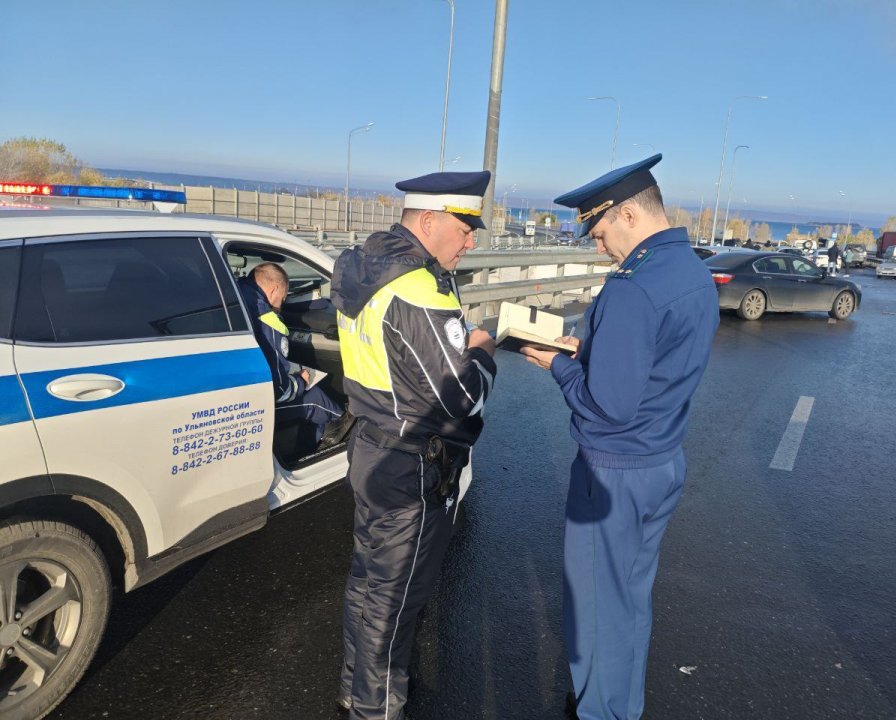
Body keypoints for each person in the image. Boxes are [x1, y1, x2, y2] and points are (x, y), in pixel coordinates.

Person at [520, 154, 719, 720]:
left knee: (597, 610)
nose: (599, 245)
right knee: (629, 599)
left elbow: (607, 408)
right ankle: (619, 704)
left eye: (601, 231)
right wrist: (591, 354)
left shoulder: (633, 287)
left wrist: (559, 366)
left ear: (628, 214)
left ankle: (601, 711)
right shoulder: (691, 271)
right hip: (661, 459)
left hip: (614, 471)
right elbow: (657, 362)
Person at [331, 170, 497, 719]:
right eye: (464, 228)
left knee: (367, 582)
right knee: (395, 599)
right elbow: (461, 397)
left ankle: (354, 688)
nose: (470, 242)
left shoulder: (361, 264)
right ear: (428, 221)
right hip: (410, 466)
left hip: (370, 446)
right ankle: (376, 709)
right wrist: (481, 352)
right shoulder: (418, 288)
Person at [237, 262, 349, 452]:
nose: (282, 304)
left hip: (238, 389)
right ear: (274, 289)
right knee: (317, 400)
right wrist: (299, 381)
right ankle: (337, 443)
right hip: (254, 405)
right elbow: (280, 392)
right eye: (283, 297)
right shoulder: (266, 318)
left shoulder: (238, 291)